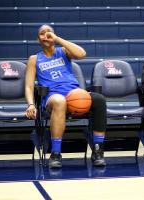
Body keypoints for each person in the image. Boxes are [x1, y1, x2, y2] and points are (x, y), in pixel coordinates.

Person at [25, 24, 107, 168]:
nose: (46, 35)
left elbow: (82, 54)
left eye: (49, 32)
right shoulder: (34, 59)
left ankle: (98, 150)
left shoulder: (63, 51)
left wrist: (57, 39)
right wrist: (31, 104)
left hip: (74, 93)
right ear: (38, 39)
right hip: (52, 96)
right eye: (42, 34)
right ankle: (55, 154)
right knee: (59, 100)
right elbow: (29, 86)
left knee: (99, 99)